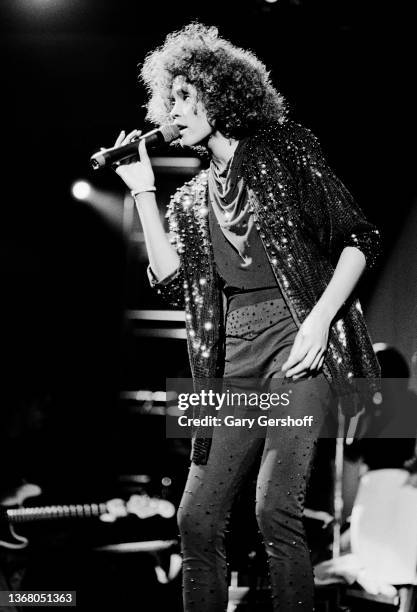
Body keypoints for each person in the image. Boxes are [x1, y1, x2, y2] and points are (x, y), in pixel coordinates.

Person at [110, 22, 380, 612]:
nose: (176, 109)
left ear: (222, 93)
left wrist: (319, 320)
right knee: (196, 519)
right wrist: (142, 190)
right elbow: (171, 282)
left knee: (272, 508)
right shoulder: (189, 198)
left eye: (187, 95)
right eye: (170, 99)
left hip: (295, 341)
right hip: (230, 356)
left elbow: (360, 238)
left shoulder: (284, 150)